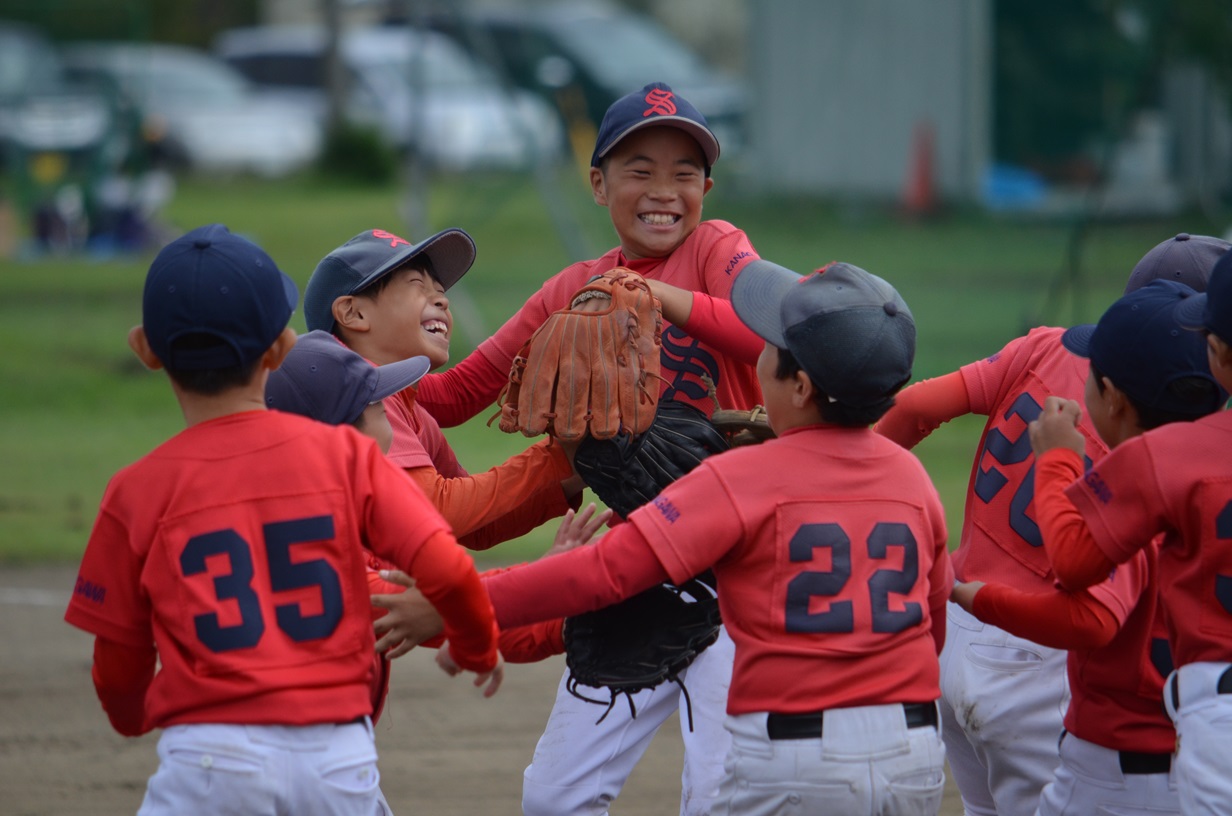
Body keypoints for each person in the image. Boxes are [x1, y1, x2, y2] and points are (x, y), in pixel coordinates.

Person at [420, 259, 951, 816]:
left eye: (768, 347)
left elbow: (602, 572)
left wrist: (463, 602)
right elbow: (930, 624)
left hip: (793, 752)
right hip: (912, 748)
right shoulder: (911, 479)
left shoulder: (743, 476)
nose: (756, 355)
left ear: (799, 386)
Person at [411, 81, 765, 816]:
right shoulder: (572, 289)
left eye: (685, 172)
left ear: (708, 187)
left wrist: (662, 299)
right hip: (631, 566)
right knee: (554, 797)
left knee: (722, 796)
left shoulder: (715, 248)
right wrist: (359, 367)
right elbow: (452, 397)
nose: (664, 190)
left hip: (734, 575)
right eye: (640, 169)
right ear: (598, 183)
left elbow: (772, 329)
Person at [62, 224, 501, 816]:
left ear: (145, 350)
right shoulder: (344, 456)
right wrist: (475, 646)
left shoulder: (135, 491)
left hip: (211, 756)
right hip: (338, 753)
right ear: (281, 347)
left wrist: (132, 714)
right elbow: (446, 566)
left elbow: (118, 661)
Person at [873, 232, 1230, 816]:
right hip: (1038, 651)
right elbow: (1096, 612)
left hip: (950, 631)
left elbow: (912, 408)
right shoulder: (1159, 452)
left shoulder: (1044, 346)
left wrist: (844, 472)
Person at [265, 330, 610, 720]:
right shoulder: (320, 545)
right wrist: (550, 582)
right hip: (288, 752)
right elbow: (444, 600)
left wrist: (559, 595)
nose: (390, 414)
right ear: (342, 437)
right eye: (379, 406)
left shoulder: (320, 516)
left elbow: (443, 602)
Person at [1030, 247, 1232, 815]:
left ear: (1217, 355)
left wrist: (1058, 461)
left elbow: (1073, 561)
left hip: (1207, 719)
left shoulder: (1168, 455)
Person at [302, 227, 583, 552]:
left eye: (439, 289)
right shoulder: (355, 396)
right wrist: (552, 459)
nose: (442, 298)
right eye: (417, 286)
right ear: (354, 313)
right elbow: (436, 510)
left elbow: (476, 525)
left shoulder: (409, 408)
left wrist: (578, 468)